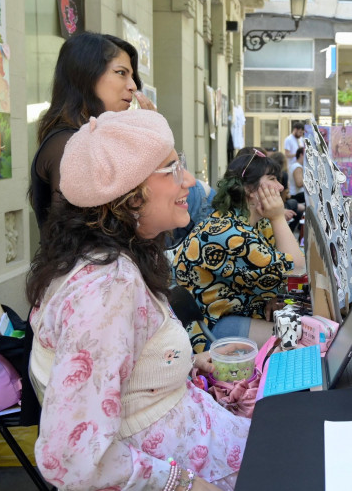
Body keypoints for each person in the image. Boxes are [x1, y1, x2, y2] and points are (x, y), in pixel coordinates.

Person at [27, 110, 248, 491]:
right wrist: (184, 484)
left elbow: (117, 369)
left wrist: (183, 362)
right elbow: (71, 457)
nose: (190, 181)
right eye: (172, 168)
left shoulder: (111, 264)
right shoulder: (106, 286)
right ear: (127, 196)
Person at [173, 148, 302, 349]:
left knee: (297, 328)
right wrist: (278, 216)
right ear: (250, 190)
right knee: (297, 337)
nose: (280, 186)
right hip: (208, 330)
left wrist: (270, 295)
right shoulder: (231, 235)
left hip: (230, 315)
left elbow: (281, 270)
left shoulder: (253, 223)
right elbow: (296, 272)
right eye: (272, 179)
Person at [29, 32, 155, 232]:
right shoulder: (67, 143)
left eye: (132, 76)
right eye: (121, 73)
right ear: (86, 75)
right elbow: (89, 233)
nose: (133, 86)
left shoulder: (93, 139)